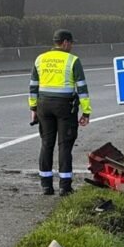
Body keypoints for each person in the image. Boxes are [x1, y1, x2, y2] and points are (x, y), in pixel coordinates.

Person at [28, 29, 91, 196]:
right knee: (65, 145)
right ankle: (65, 186)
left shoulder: (40, 59)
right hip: (65, 107)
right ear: (65, 42)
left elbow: (33, 85)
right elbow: (82, 89)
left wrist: (33, 108)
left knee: (46, 144)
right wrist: (86, 112)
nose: (71, 46)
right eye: (71, 43)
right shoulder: (73, 60)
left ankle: (46, 186)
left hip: (44, 106)